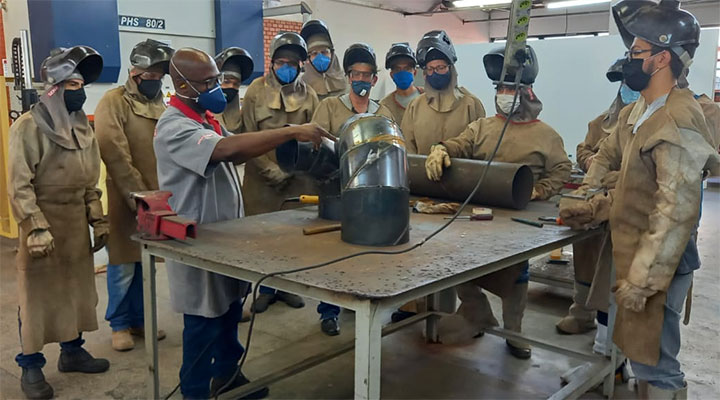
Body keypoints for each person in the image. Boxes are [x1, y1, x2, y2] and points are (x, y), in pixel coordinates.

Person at [560, 1, 719, 397]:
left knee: (656, 360)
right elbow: (605, 155)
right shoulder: (641, 110)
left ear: (662, 58)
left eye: (636, 52)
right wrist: (587, 194)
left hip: (662, 260)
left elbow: (676, 212)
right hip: (635, 251)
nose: (628, 59)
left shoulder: (679, 119)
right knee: (638, 351)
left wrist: (645, 280)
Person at [154, 47, 332, 399]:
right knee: (203, 321)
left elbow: (235, 147)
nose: (217, 87)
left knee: (229, 310)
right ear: (182, 85)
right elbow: (226, 151)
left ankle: (227, 375)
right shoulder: (173, 127)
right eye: (208, 82)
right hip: (197, 239)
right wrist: (289, 131)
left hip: (223, 237)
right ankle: (194, 391)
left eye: (217, 79)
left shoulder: (205, 117)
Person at [426, 45, 572, 359]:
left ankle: (513, 330)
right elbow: (460, 144)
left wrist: (540, 190)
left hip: (518, 219)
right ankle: (477, 313)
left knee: (513, 275)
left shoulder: (546, 135)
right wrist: (441, 148)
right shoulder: (482, 127)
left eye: (511, 88)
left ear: (526, 92)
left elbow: (562, 169)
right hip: (478, 214)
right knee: (460, 267)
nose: (505, 94)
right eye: (501, 88)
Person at [8, 46, 110, 400]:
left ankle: (72, 351)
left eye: (81, 84)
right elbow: (19, 184)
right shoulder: (27, 126)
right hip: (42, 222)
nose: (79, 91)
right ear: (53, 88)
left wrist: (98, 219)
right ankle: (31, 364)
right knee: (36, 299)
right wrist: (34, 227)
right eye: (72, 84)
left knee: (76, 292)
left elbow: (89, 178)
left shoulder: (82, 127)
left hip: (74, 225)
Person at [95, 38, 173, 352]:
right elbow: (114, 152)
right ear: (133, 72)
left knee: (145, 265)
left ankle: (141, 321)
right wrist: (139, 196)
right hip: (125, 198)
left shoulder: (160, 104)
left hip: (156, 199)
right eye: (149, 75)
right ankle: (119, 325)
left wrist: (160, 198)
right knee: (123, 264)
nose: (154, 81)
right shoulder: (112, 102)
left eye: (159, 76)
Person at [310, 43, 394, 336]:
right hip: (335, 190)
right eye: (355, 73)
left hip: (370, 194)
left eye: (366, 74)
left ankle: (363, 303)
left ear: (374, 79)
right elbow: (316, 146)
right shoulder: (330, 106)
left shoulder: (382, 111)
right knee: (331, 254)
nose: (361, 79)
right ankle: (328, 311)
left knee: (366, 251)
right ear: (348, 76)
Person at [555, 58, 641, 336]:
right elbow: (585, 149)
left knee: (620, 271)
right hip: (596, 202)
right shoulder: (600, 122)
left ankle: (614, 339)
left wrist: (618, 176)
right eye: (624, 83)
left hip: (628, 206)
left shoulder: (651, 122)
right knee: (586, 254)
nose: (628, 89)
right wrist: (590, 161)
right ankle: (582, 312)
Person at [242, 32, 319, 313]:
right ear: (272, 63)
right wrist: (270, 169)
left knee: (291, 236)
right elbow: (247, 135)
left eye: (292, 62)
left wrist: (294, 169)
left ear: (301, 66)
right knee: (263, 238)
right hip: (260, 180)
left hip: (297, 180)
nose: (286, 67)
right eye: (281, 62)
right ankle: (265, 288)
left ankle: (288, 286)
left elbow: (315, 137)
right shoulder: (254, 92)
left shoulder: (309, 95)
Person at [401, 30, 485, 155]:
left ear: (450, 68)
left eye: (440, 68)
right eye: (430, 69)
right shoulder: (415, 107)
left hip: (463, 173)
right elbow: (407, 148)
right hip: (422, 173)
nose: (435, 73)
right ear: (425, 73)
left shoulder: (471, 104)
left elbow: (480, 147)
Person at [300, 19, 348, 100]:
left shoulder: (347, 82)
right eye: (314, 53)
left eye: (324, 52)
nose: (320, 57)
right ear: (308, 58)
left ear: (332, 54)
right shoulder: (300, 86)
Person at [379, 42, 423, 123]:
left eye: (407, 68)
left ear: (415, 72)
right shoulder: (385, 106)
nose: (402, 73)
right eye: (397, 69)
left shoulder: (428, 97)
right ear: (392, 75)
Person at [215, 47, 254, 134]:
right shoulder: (201, 114)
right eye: (226, 81)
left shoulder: (241, 118)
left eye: (236, 84)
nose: (231, 86)